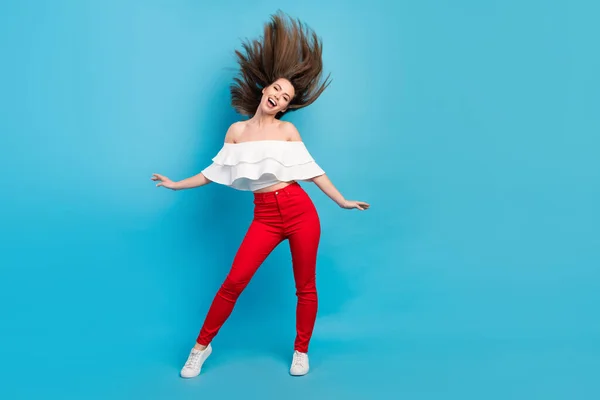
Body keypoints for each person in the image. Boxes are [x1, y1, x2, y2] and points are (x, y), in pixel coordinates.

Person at [151, 11, 369, 378]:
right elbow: (213, 173)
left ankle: (302, 351)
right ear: (265, 89)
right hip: (265, 216)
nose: (279, 97)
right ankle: (200, 348)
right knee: (233, 282)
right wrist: (176, 184)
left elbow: (313, 173)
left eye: (286, 97)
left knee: (306, 286)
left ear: (286, 107)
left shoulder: (287, 134)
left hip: (300, 211)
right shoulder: (236, 132)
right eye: (277, 90)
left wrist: (342, 200)